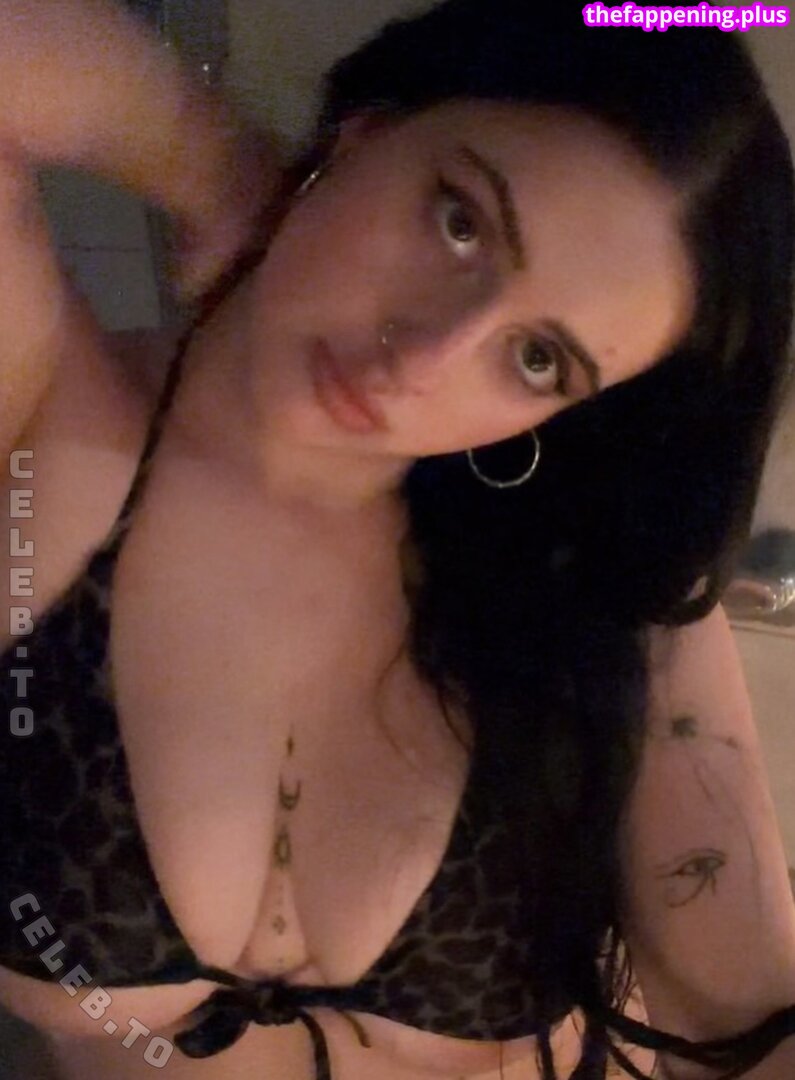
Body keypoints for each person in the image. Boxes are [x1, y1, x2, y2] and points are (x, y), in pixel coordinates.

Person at [1, 1, 795, 1078]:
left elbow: (744, 1019)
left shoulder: (587, 585)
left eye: (537, 360)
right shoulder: (44, 420)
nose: (424, 356)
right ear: (368, 132)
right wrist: (225, 170)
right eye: (459, 221)